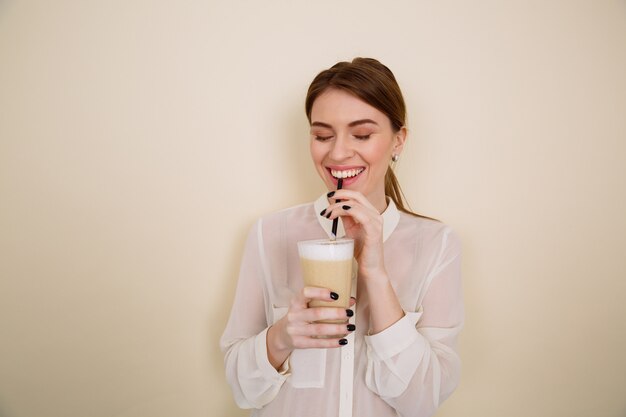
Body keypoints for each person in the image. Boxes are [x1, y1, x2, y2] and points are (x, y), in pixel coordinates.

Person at [220, 57, 464, 417]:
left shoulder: (436, 243)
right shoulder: (270, 233)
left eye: (362, 134)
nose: (337, 153)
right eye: (322, 136)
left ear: (399, 140)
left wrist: (375, 273)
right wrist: (282, 337)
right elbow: (242, 389)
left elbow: (422, 401)